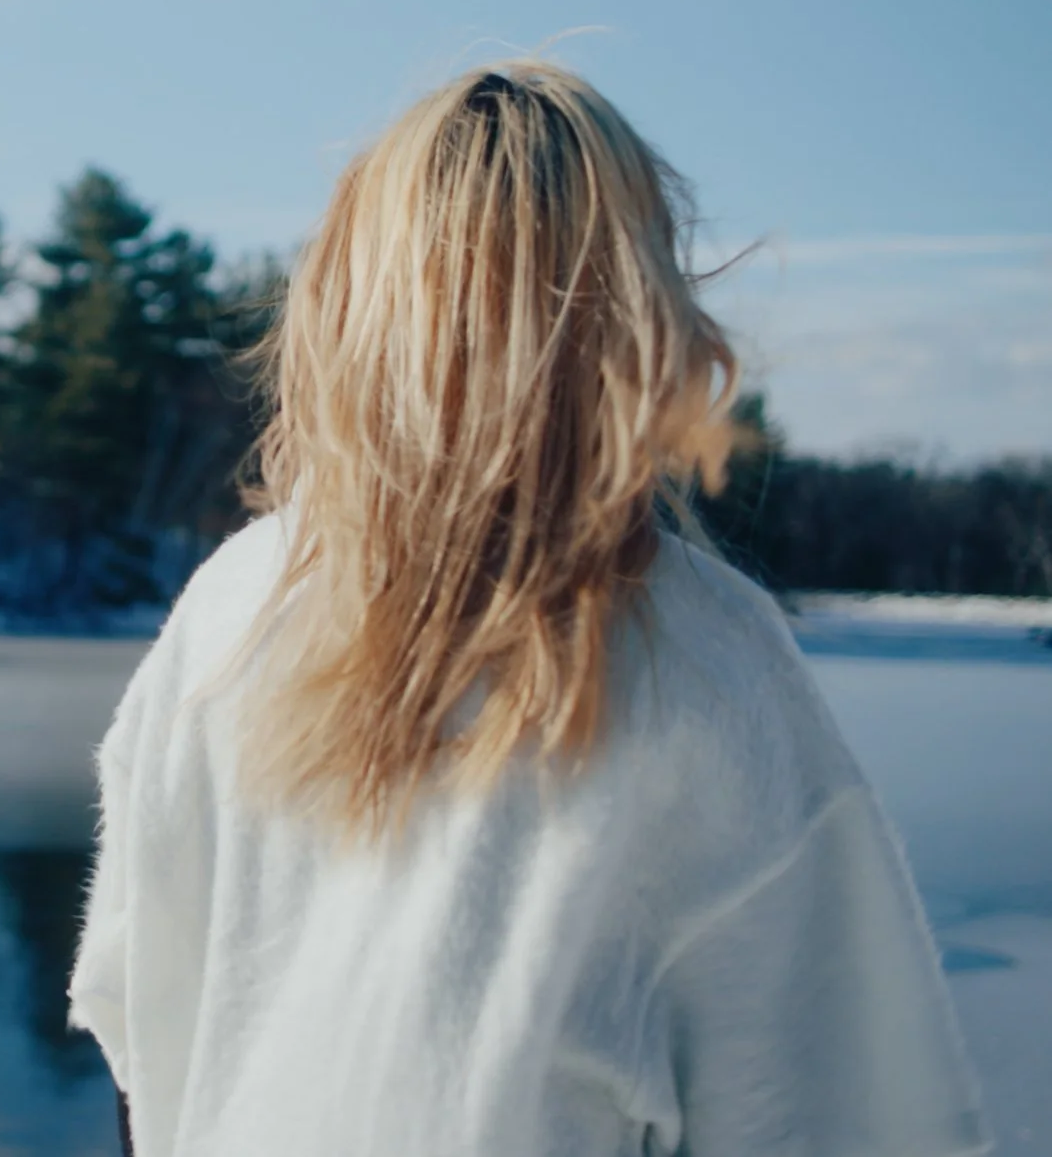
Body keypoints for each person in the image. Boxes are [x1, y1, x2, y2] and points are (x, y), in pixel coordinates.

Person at [68, 61, 989, 1156]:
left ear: (352, 301)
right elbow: (838, 1113)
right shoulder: (701, 656)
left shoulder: (230, 610)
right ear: (637, 305)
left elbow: (133, 1024)